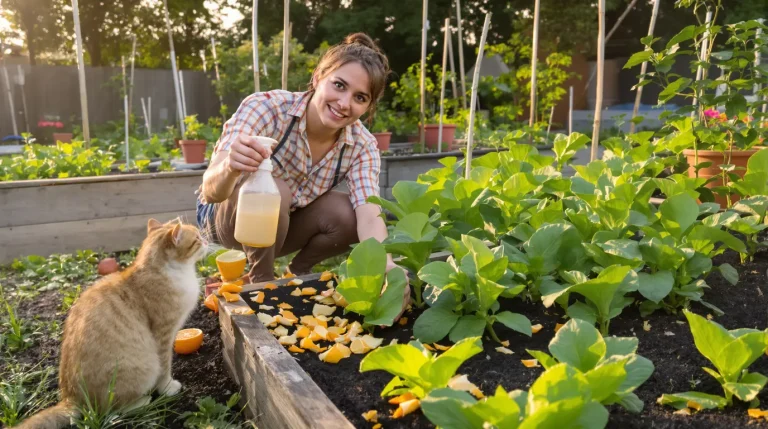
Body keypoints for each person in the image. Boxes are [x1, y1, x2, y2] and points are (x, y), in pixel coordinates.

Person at [196, 32, 406, 295]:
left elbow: (369, 214)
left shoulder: (361, 145)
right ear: (318, 77)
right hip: (226, 218)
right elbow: (211, 192)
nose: (344, 104)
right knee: (275, 189)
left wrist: (385, 263)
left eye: (360, 97)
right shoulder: (268, 108)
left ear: (368, 106)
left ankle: (296, 275)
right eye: (339, 85)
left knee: (348, 213)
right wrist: (230, 166)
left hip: (285, 225)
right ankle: (262, 281)